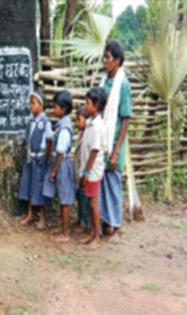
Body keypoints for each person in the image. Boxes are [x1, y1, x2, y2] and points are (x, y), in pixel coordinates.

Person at [99, 40, 132, 241]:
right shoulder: (104, 83)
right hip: (102, 139)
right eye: (104, 57)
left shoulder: (124, 86)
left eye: (108, 58)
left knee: (113, 183)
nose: (105, 61)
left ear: (117, 61)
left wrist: (116, 150)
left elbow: (125, 118)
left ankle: (117, 226)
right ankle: (106, 222)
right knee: (102, 182)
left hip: (114, 141)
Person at [43, 91, 76, 242]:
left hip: (62, 165)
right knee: (62, 197)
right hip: (60, 163)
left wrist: (55, 170)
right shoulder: (63, 123)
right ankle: (62, 228)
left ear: (63, 109)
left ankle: (65, 233)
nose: (53, 110)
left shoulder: (64, 128)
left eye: (55, 107)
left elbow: (61, 152)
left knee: (64, 199)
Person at [19, 91, 53, 229]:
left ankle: (42, 217)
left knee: (40, 187)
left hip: (40, 159)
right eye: (30, 104)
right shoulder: (31, 121)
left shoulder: (45, 123)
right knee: (30, 186)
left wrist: (47, 158)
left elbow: (49, 140)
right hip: (31, 159)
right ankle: (30, 214)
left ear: (41, 105)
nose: (30, 106)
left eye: (33, 104)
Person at [78, 88, 107, 250]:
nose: (85, 106)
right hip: (88, 171)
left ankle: (97, 236)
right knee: (90, 203)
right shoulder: (91, 123)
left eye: (88, 103)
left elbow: (94, 151)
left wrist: (86, 173)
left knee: (94, 204)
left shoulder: (97, 127)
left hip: (93, 172)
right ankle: (92, 232)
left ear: (96, 105)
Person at [74, 107, 91, 231]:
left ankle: (85, 223)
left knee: (85, 199)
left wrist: (84, 174)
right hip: (79, 171)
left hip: (84, 173)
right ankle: (80, 219)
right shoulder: (81, 134)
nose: (77, 123)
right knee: (80, 197)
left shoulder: (88, 136)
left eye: (79, 120)